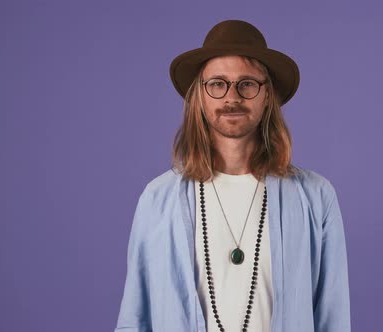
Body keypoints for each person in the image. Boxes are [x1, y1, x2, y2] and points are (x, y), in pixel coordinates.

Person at [114, 20, 351, 332]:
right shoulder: (158, 200)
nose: (232, 97)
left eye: (247, 83)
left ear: (268, 96)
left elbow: (333, 319)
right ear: (199, 96)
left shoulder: (315, 197)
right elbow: (134, 320)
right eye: (217, 83)